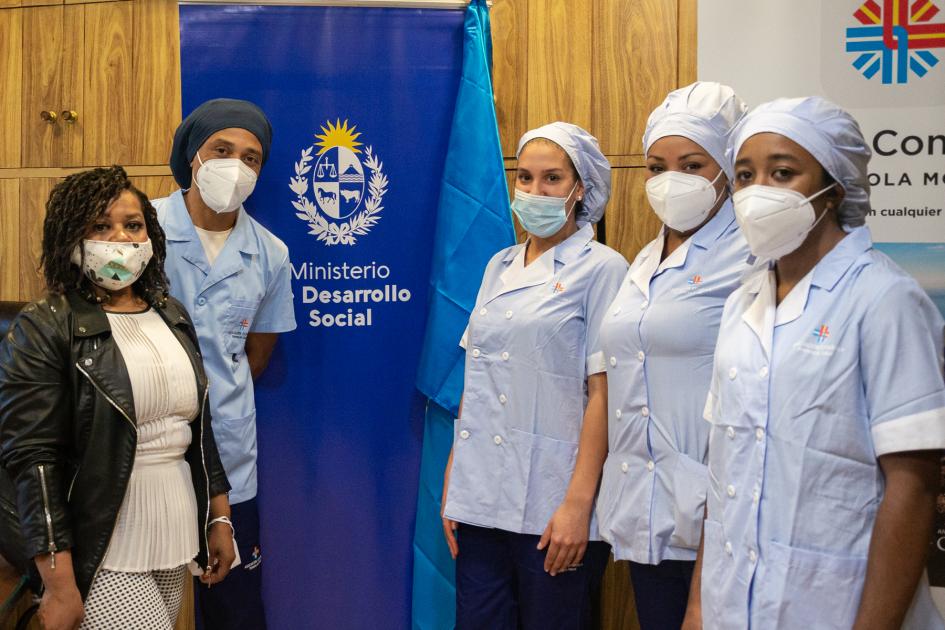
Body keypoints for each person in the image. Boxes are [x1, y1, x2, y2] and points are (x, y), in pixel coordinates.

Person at [683, 97, 945, 629]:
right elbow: (725, 474)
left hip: (837, 605)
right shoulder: (742, 305)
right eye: (745, 176)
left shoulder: (884, 299)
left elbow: (913, 485)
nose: (759, 193)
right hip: (733, 604)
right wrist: (697, 608)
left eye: (783, 173)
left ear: (835, 189)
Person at [0, 166, 234, 630]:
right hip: (100, 537)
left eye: (133, 225)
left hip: (174, 525)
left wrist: (220, 519)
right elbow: (34, 459)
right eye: (100, 226)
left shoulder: (171, 314)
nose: (120, 239)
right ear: (72, 238)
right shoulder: (46, 325)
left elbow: (198, 429)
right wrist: (60, 582)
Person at [440, 122, 628, 630]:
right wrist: (457, 481)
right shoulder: (498, 265)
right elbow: (476, 382)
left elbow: (603, 395)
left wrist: (578, 505)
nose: (535, 191)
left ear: (580, 188)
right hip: (480, 499)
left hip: (553, 502)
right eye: (525, 178)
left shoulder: (604, 270)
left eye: (552, 179)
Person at [594, 82, 753, 630]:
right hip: (645, 511)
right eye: (656, 166)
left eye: (691, 164)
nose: (669, 182)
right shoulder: (642, 259)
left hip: (716, 515)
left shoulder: (754, 254)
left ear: (728, 169)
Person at [152, 98, 297, 630]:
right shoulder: (138, 228)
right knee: (142, 605)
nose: (236, 165)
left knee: (234, 605)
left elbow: (255, 355)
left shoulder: (271, 254)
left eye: (252, 157)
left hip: (230, 459)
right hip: (146, 453)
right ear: (194, 156)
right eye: (222, 150)